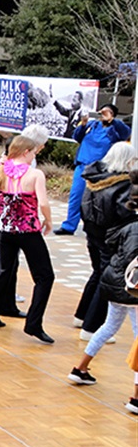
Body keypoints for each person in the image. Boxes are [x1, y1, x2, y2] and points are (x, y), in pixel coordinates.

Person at [68, 169, 138, 391]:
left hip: (113, 281)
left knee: (109, 326)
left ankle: (80, 368)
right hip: (132, 288)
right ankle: (136, 396)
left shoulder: (124, 224)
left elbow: (111, 242)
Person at [0, 135, 56, 343]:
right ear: (26, 152)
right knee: (45, 276)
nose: (34, 156)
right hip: (28, 230)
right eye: (33, 152)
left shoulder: (1, 170)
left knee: (4, 270)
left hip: (6, 229)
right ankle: (34, 323)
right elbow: (43, 202)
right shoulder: (35, 174)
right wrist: (48, 221)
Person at [73, 142, 137, 339]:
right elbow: (124, 213)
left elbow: (84, 207)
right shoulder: (123, 185)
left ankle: (82, 316)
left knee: (98, 273)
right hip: (113, 239)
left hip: (94, 235)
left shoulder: (94, 178)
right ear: (128, 161)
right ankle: (92, 328)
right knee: (107, 280)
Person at [58, 104, 132, 234]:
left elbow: (126, 134)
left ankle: (97, 226)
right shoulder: (92, 125)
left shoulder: (115, 129)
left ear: (113, 115)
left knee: (98, 199)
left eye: (107, 112)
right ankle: (69, 226)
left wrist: (112, 121)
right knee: (76, 196)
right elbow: (77, 137)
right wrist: (82, 124)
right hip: (83, 166)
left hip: (100, 170)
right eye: (102, 112)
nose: (103, 114)